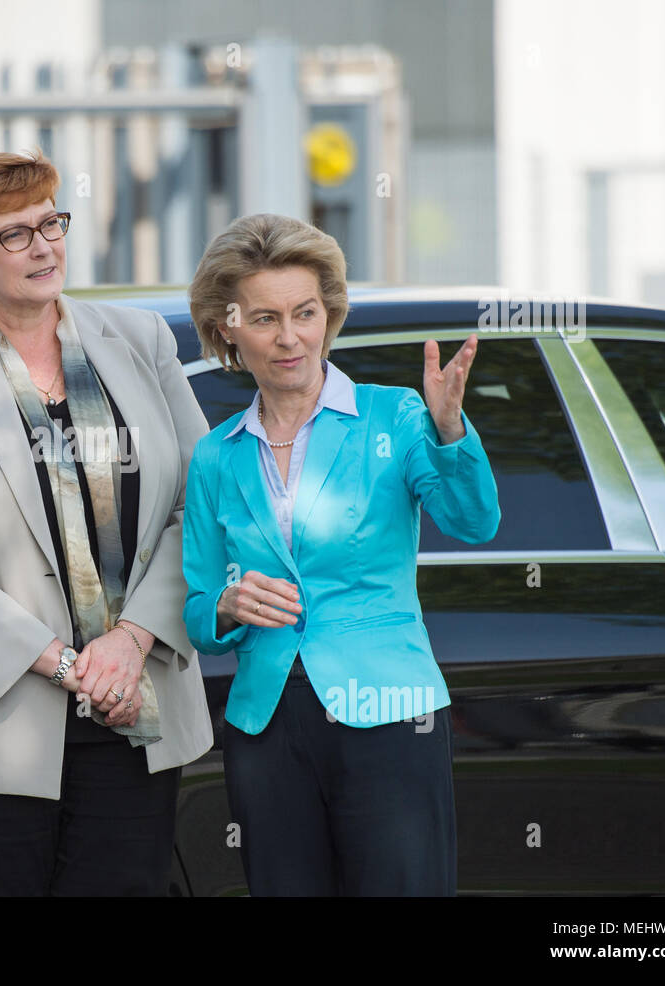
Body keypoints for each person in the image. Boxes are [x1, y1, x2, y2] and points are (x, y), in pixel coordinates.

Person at [0, 150, 213, 896]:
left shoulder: (141, 340)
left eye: (51, 222)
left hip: (137, 712)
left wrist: (131, 643)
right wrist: (71, 668)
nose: (44, 246)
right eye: (15, 234)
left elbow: (206, 506)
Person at [181, 213, 501, 896]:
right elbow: (199, 615)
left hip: (388, 712)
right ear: (228, 327)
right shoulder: (215, 455)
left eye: (305, 313)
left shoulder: (396, 416)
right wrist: (229, 604)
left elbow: (474, 522)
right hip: (266, 724)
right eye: (265, 318)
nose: (290, 336)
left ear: (329, 314)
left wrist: (449, 431)